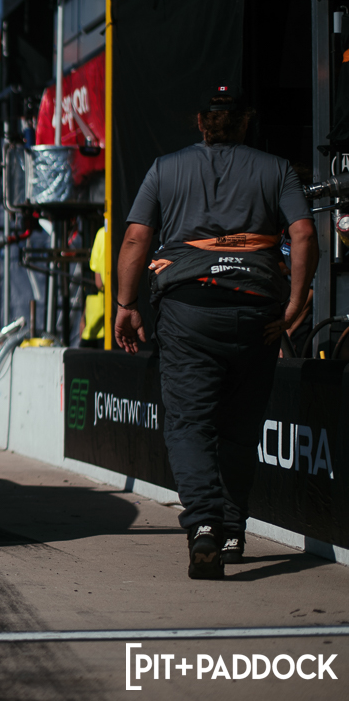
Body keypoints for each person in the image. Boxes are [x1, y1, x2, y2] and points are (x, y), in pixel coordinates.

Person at [114, 86, 316, 580]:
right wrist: (295, 302)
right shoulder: (277, 169)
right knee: (240, 430)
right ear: (245, 122)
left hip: (190, 311)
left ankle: (204, 524)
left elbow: (136, 237)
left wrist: (126, 305)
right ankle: (232, 532)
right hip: (257, 311)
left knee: (190, 425)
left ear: (202, 122)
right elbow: (304, 233)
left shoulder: (165, 168)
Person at [79, 226, 107, 349]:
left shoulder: (101, 233)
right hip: (111, 320)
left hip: (95, 320)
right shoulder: (126, 232)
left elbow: (98, 282)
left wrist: (83, 317)